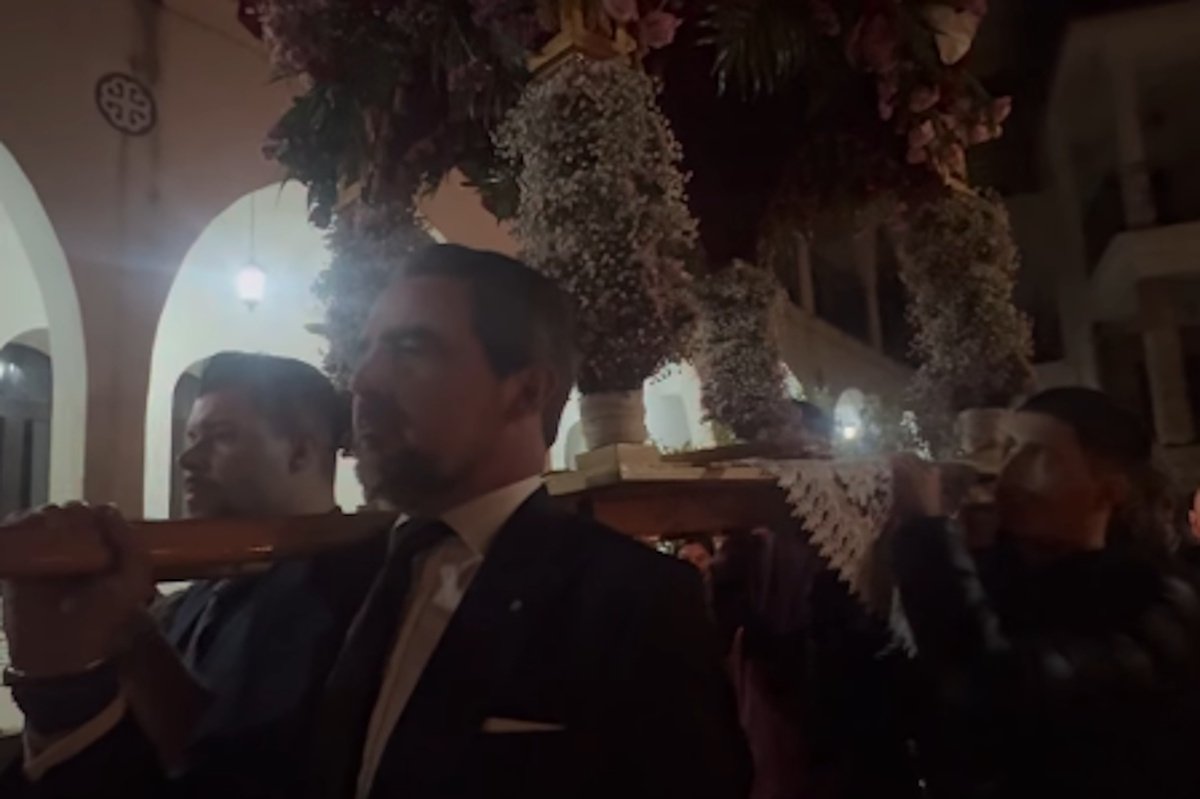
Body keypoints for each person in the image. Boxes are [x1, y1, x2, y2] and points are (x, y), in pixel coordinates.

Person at [2, 244, 750, 799]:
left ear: (525, 391)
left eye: (410, 349)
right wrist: (77, 668)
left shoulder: (630, 601)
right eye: (365, 350)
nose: (361, 380)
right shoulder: (325, 579)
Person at [2, 353, 385, 797]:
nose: (188, 459)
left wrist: (128, 638)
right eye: (192, 437)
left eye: (222, 437)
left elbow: (241, 770)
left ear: (299, 452)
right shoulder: (196, 597)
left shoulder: (354, 591)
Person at [891, 387, 1200, 799]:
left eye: (1038, 456)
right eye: (1008, 450)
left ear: (1109, 492)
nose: (1009, 472)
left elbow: (1000, 697)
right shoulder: (1009, 572)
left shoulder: (1163, 604)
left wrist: (927, 536)